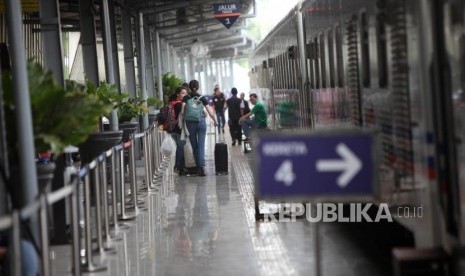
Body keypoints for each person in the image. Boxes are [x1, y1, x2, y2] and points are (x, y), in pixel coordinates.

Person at [181, 80, 217, 177]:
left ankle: (198, 167)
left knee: (194, 145)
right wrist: (215, 121)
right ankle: (201, 168)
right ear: (198, 87)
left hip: (190, 123)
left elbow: (182, 111)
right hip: (201, 122)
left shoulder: (186, 97)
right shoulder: (202, 98)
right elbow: (210, 112)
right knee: (201, 145)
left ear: (189, 87)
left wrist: (183, 121)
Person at [170, 87, 188, 176]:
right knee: (180, 148)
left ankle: (181, 167)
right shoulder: (179, 105)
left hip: (172, 129)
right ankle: (179, 167)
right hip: (179, 129)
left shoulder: (171, 103)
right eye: (183, 93)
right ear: (178, 94)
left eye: (185, 93)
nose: (185, 95)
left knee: (179, 147)